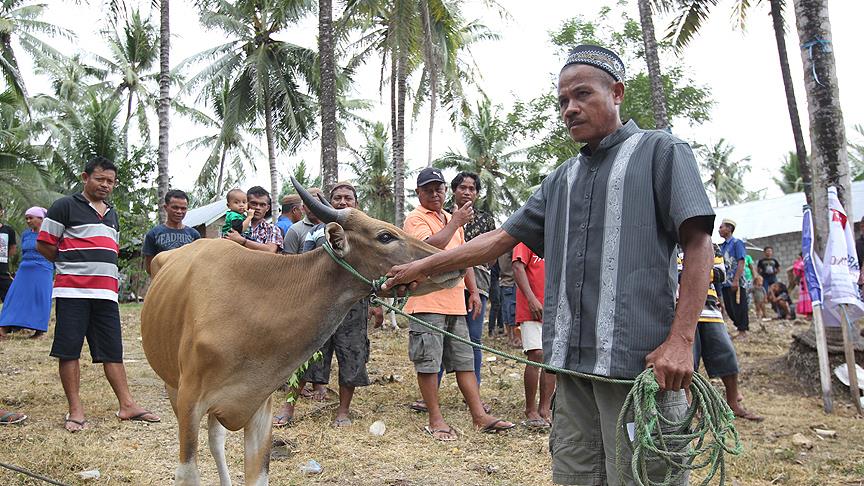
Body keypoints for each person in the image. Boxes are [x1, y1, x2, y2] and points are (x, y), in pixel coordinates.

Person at [381, 45, 715, 484]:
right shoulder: (561, 180)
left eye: (582, 95)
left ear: (616, 93)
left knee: (643, 476)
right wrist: (420, 267)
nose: (570, 109)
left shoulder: (662, 152)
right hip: (570, 368)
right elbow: (498, 240)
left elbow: (699, 244)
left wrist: (681, 341)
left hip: (638, 367)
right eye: (562, 101)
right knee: (575, 473)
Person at [37, 156, 160, 432]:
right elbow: (45, 244)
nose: (105, 185)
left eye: (110, 181)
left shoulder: (111, 213)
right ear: (85, 177)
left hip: (105, 293)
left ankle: (127, 405)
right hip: (72, 291)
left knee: (112, 350)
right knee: (69, 350)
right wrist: (69, 265)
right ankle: (75, 410)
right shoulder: (64, 206)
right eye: (100, 179)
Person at [403, 167, 513, 441]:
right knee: (429, 363)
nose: (434, 193)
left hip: (454, 302)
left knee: (465, 361)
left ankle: (479, 416)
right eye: (428, 189)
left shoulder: (452, 219)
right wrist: (455, 224)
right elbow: (428, 250)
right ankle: (435, 420)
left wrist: (473, 292)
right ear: (418, 193)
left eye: (438, 188)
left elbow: (463, 260)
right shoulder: (415, 219)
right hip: (426, 302)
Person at [273, 182, 370, 428]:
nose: (342, 201)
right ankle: (288, 407)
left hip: (354, 306)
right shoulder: (316, 232)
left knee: (351, 355)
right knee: (307, 354)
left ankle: (343, 412)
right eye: (337, 197)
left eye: (348, 197)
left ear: (356, 204)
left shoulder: (366, 233)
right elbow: (304, 266)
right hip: (320, 306)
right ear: (329, 202)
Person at [679, 245, 763, 422]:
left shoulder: (710, 245)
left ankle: (733, 404)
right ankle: (686, 409)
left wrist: (686, 273)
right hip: (679, 309)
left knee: (727, 354)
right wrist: (700, 270)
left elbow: (720, 273)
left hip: (709, 307)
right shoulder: (668, 243)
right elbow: (666, 273)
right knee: (686, 361)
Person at [446, 171, 495, 386]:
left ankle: (473, 389)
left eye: (472, 189)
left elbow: (493, 254)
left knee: (474, 336)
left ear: (477, 193)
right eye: (462, 188)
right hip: (447, 282)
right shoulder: (444, 215)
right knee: (442, 334)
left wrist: (475, 260)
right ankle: (432, 392)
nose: (467, 192)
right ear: (454, 190)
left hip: (480, 284)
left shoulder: (486, 219)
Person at [512, 242, 554, 429]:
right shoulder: (526, 239)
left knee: (551, 359)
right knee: (536, 354)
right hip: (532, 307)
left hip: (553, 307)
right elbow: (517, 266)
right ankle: (530, 409)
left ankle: (545, 409)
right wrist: (531, 299)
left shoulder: (556, 237)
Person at [0, 207, 53, 340]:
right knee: (15, 297)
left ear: (41, 219)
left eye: (31, 218)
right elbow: (22, 252)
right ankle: (4, 326)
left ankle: (39, 330)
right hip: (25, 269)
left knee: (39, 299)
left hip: (43, 269)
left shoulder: (50, 234)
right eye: (26, 218)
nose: (28, 221)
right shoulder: (26, 234)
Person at [142, 189, 200, 276]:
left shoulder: (194, 235)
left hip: (187, 285)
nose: (179, 212)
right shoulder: (153, 234)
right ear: (166, 207)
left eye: (183, 208)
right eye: (175, 207)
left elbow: (197, 265)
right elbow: (150, 268)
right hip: (163, 284)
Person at [225, 186, 283, 253]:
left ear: (267, 208)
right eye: (254, 203)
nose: (258, 208)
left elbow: (270, 250)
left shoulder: (272, 229)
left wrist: (243, 241)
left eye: (262, 205)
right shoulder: (234, 222)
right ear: (247, 204)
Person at [719, 219, 750, 340]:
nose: (719, 230)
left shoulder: (737, 243)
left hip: (736, 281)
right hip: (725, 282)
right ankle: (738, 327)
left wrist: (736, 280)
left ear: (729, 229)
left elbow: (741, 261)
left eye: (722, 227)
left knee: (739, 305)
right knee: (730, 307)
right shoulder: (722, 246)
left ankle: (743, 330)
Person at [283, 188, 323, 254]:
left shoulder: (331, 227)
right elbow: (288, 261)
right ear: (303, 207)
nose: (312, 208)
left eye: (317, 204)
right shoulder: (294, 230)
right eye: (308, 204)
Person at [497, 250, 518, 347]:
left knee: (506, 310)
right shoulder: (512, 248)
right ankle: (514, 339)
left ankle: (510, 338)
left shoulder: (501, 249)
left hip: (504, 282)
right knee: (512, 311)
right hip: (511, 282)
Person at [0, 203, 17, 303]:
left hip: (3, 273)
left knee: (10, 300)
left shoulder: (8, 230)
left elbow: (12, 249)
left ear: (1, 212)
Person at [792, 253, 812, 318]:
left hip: (805, 280)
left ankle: (809, 313)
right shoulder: (810, 261)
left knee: (807, 296)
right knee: (809, 295)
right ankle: (810, 313)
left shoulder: (800, 263)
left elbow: (797, 271)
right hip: (810, 280)